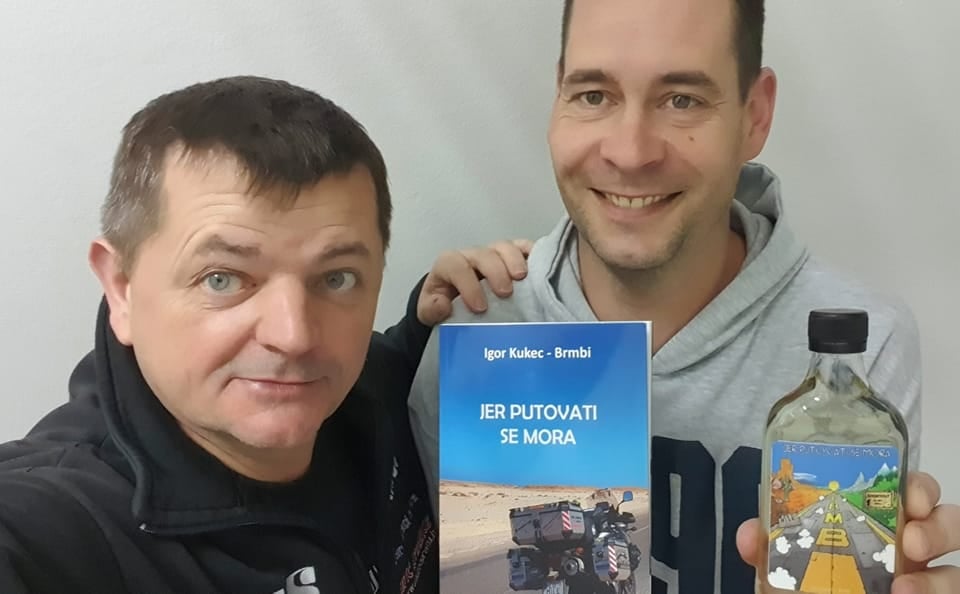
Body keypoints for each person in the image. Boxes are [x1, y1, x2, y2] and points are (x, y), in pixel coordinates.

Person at [406, 0, 960, 592]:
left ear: (754, 115)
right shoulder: (475, 333)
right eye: (593, 95)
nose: (630, 152)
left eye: (682, 100)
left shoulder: (862, 342)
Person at [0, 75, 440, 594]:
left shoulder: (378, 391)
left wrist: (439, 324)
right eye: (222, 279)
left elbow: (392, 363)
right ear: (121, 289)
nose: (294, 336)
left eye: (337, 278)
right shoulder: (56, 526)